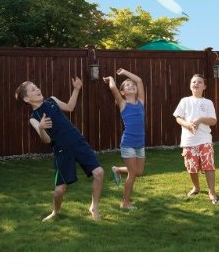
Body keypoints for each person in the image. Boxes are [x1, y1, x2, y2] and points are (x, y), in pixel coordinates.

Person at [16, 76, 104, 222]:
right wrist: (41, 128)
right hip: (62, 150)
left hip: (77, 141)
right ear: (26, 98)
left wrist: (76, 89)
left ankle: (94, 207)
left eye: (36, 87)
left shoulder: (52, 100)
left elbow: (70, 107)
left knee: (99, 172)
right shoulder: (34, 118)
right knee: (59, 190)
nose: (37, 89)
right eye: (33, 89)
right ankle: (55, 212)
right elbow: (47, 140)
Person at [103, 68, 146, 210]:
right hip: (128, 144)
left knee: (139, 172)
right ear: (123, 92)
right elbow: (113, 88)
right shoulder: (123, 104)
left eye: (132, 85)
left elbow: (139, 80)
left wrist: (125, 72)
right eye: (127, 85)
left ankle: (116, 169)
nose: (132, 85)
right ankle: (125, 203)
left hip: (140, 144)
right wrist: (111, 78)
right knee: (132, 174)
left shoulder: (140, 102)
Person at [173, 74, 219, 204]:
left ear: (204, 86)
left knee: (208, 166)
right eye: (193, 82)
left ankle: (211, 192)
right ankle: (196, 187)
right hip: (189, 140)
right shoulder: (184, 101)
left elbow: (213, 121)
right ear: (190, 86)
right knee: (191, 167)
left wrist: (200, 120)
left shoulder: (208, 102)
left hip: (205, 139)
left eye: (199, 82)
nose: (196, 84)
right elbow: (178, 118)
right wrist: (187, 124)